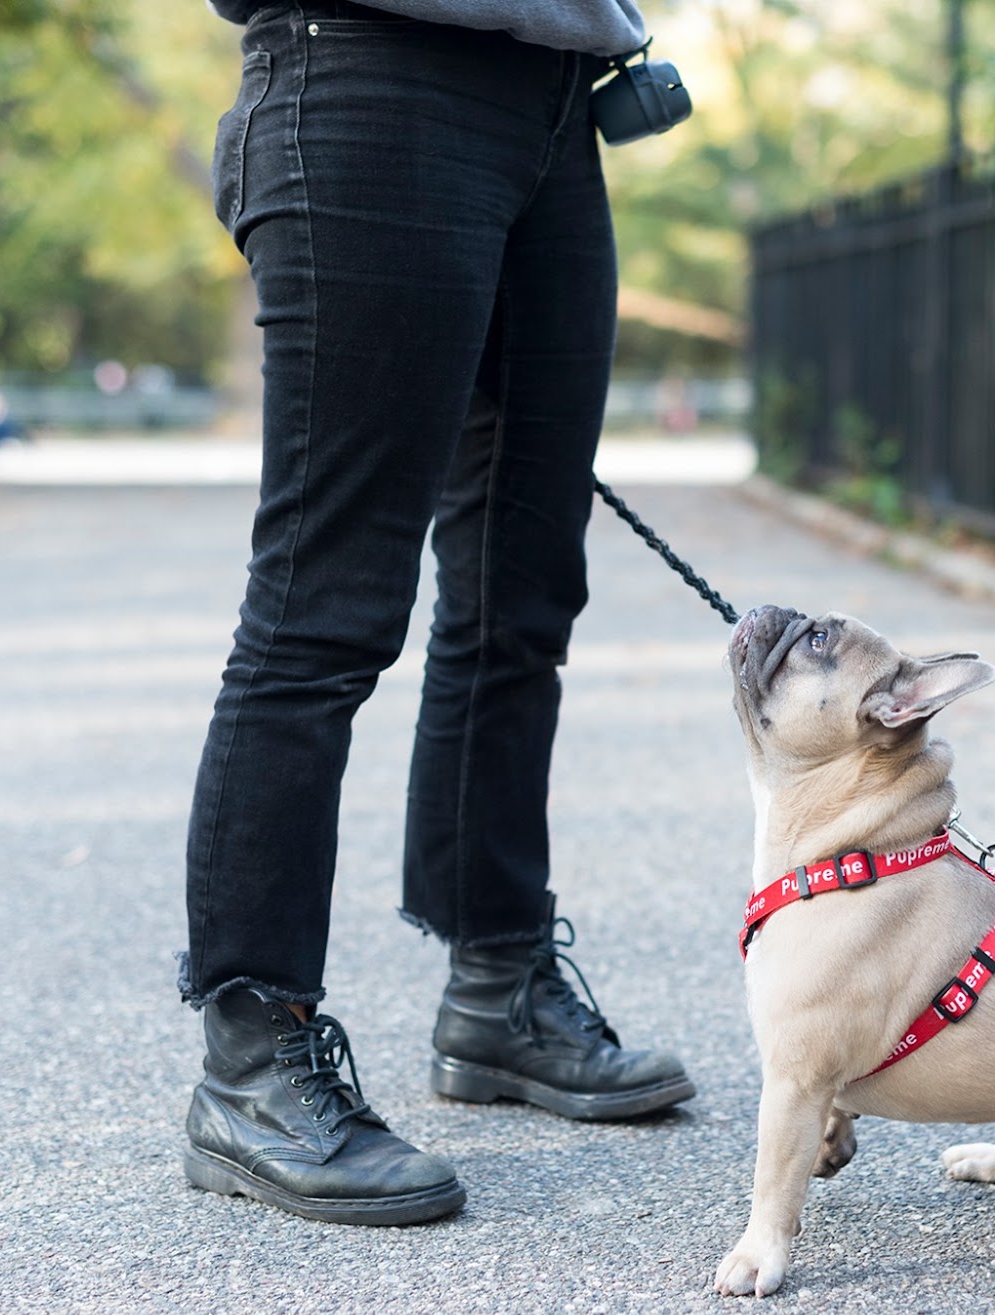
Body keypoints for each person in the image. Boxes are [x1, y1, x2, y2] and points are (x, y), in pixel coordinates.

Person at [179, 0, 694, 1227]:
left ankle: (499, 987)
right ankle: (252, 1061)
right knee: (329, 603)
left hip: (557, 105)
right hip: (366, 77)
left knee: (526, 593)